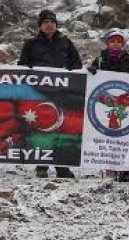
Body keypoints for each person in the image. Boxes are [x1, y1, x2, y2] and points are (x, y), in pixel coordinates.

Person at [18, 9, 82, 179]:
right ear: (40, 25)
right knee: (43, 128)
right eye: (46, 22)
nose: (49, 24)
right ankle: (42, 165)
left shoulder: (66, 42)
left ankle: (62, 166)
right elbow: (22, 67)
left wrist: (70, 73)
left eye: (52, 22)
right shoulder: (31, 44)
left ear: (56, 24)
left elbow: (77, 64)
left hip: (63, 93)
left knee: (63, 129)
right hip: (40, 94)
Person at [88, 28, 129, 182]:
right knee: (106, 135)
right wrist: (91, 72)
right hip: (105, 102)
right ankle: (109, 169)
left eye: (119, 41)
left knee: (125, 135)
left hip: (123, 102)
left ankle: (124, 170)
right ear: (107, 42)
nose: (115, 43)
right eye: (112, 40)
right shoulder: (100, 59)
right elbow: (91, 76)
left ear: (122, 43)